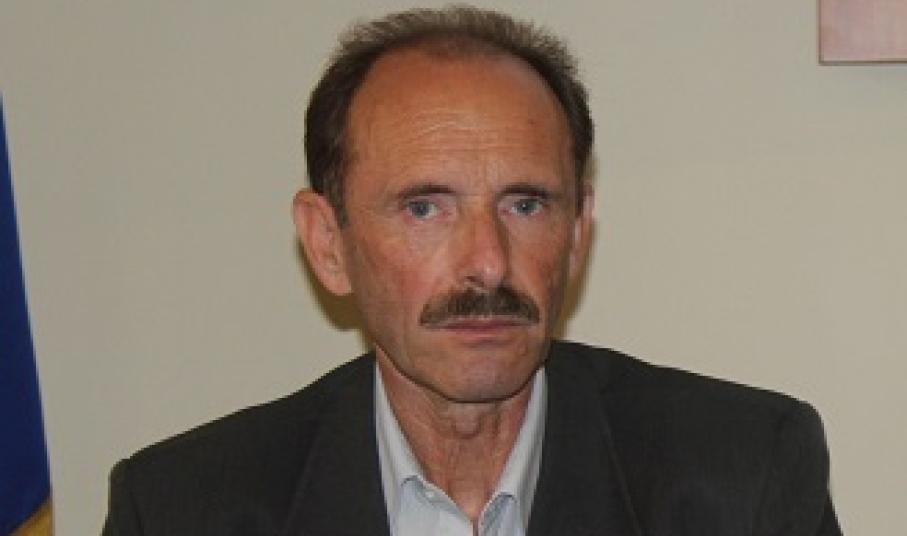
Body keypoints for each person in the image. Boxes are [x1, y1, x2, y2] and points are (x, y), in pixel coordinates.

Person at [102, 6, 842, 535]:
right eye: (425, 208)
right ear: (328, 243)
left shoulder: (744, 476)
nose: (487, 262)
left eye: (525, 204)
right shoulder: (180, 509)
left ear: (577, 233)